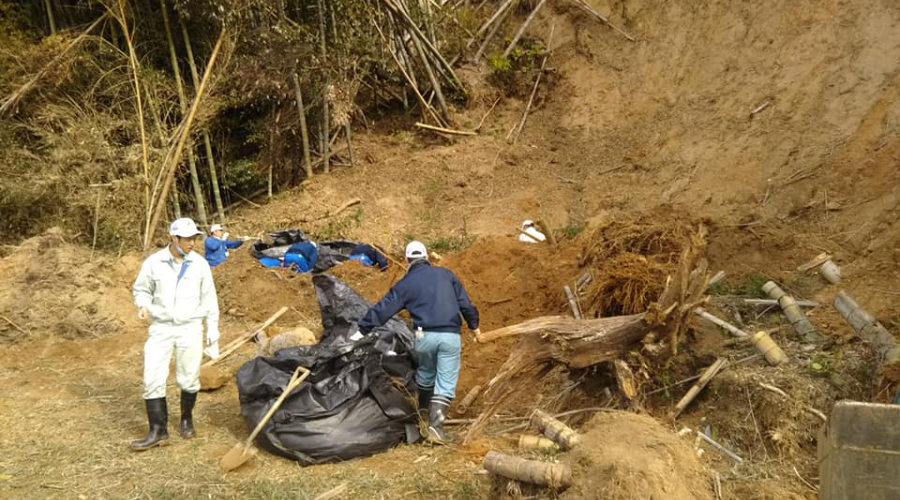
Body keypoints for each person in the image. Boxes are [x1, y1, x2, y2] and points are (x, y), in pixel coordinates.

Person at [353, 241, 480, 443]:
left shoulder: (406, 283)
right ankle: (436, 428)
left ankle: (422, 412)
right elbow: (465, 303)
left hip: (423, 337)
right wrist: (474, 326)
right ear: (427, 257)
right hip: (449, 335)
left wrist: (362, 330)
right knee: (445, 381)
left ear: (407, 259)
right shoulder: (446, 275)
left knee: (427, 372)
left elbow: (384, 308)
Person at [130, 217, 220, 451]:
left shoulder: (200, 264)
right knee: (152, 378)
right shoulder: (154, 263)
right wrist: (143, 305)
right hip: (161, 327)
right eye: (188, 239)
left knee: (189, 378)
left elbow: (209, 299)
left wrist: (213, 329)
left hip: (190, 327)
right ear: (174, 238)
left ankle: (186, 418)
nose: (192, 243)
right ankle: (158, 431)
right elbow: (141, 289)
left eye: (194, 239)